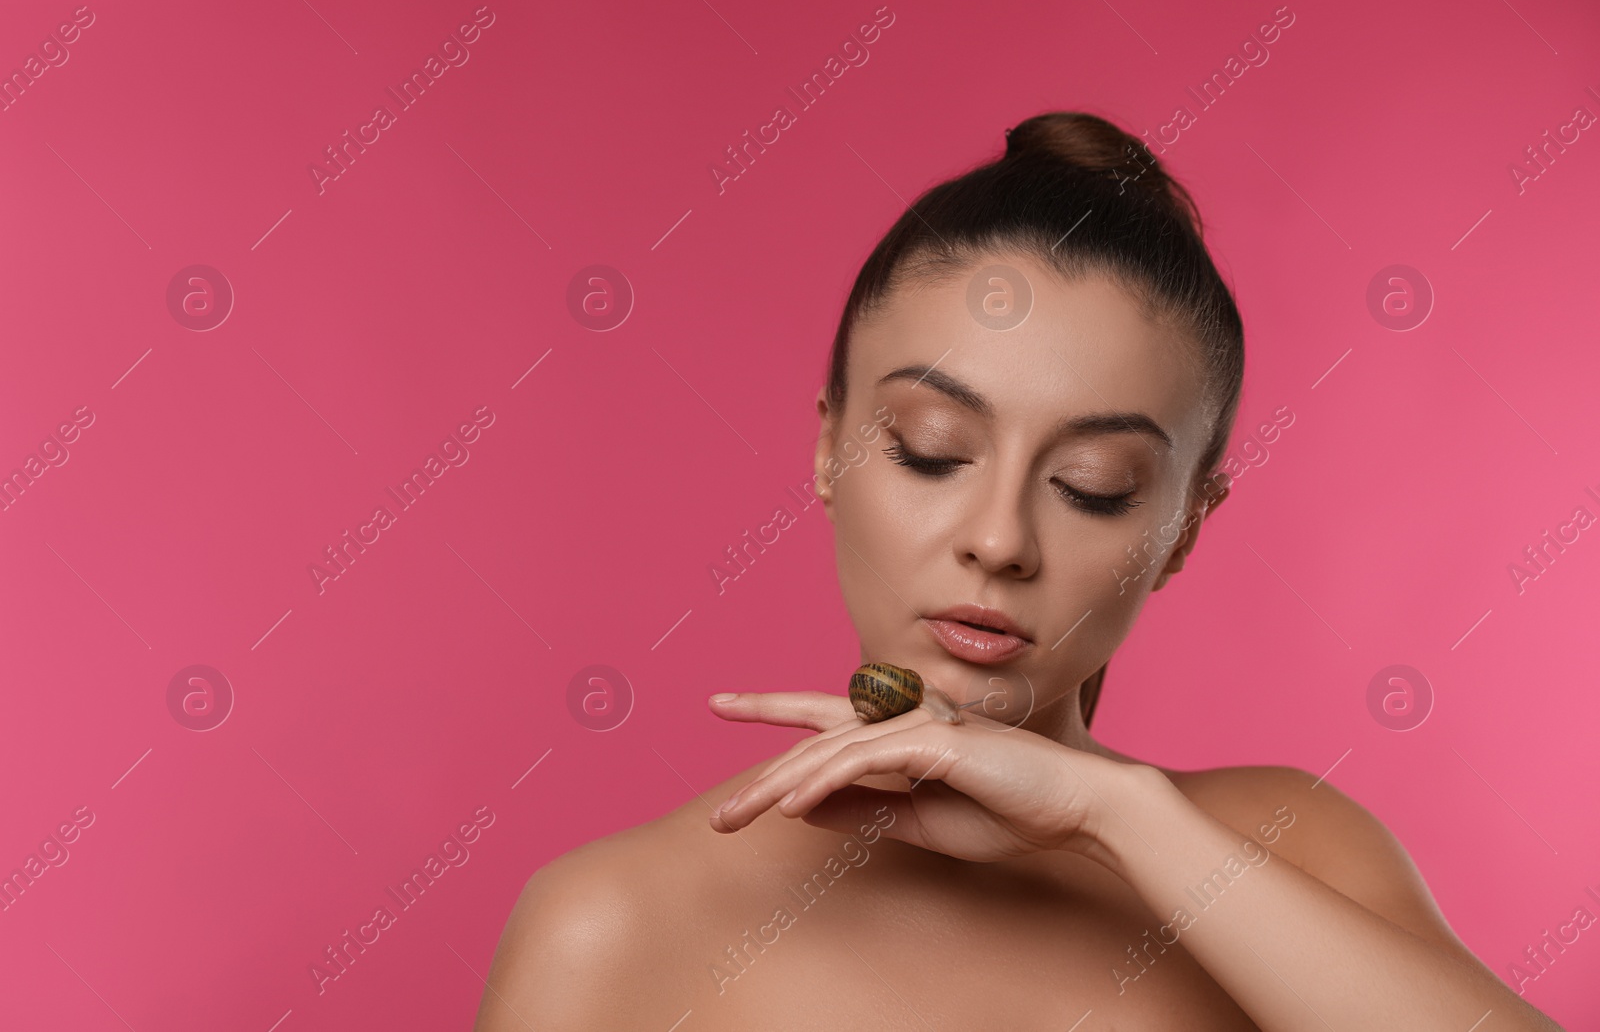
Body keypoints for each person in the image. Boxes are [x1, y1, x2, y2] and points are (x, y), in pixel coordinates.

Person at [473, 111, 1564, 1031]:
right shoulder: (612, 927)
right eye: (931, 448)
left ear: (1182, 529)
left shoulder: (1287, 852)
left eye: (1092, 484)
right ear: (829, 447)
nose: (998, 539)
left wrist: (1116, 818)